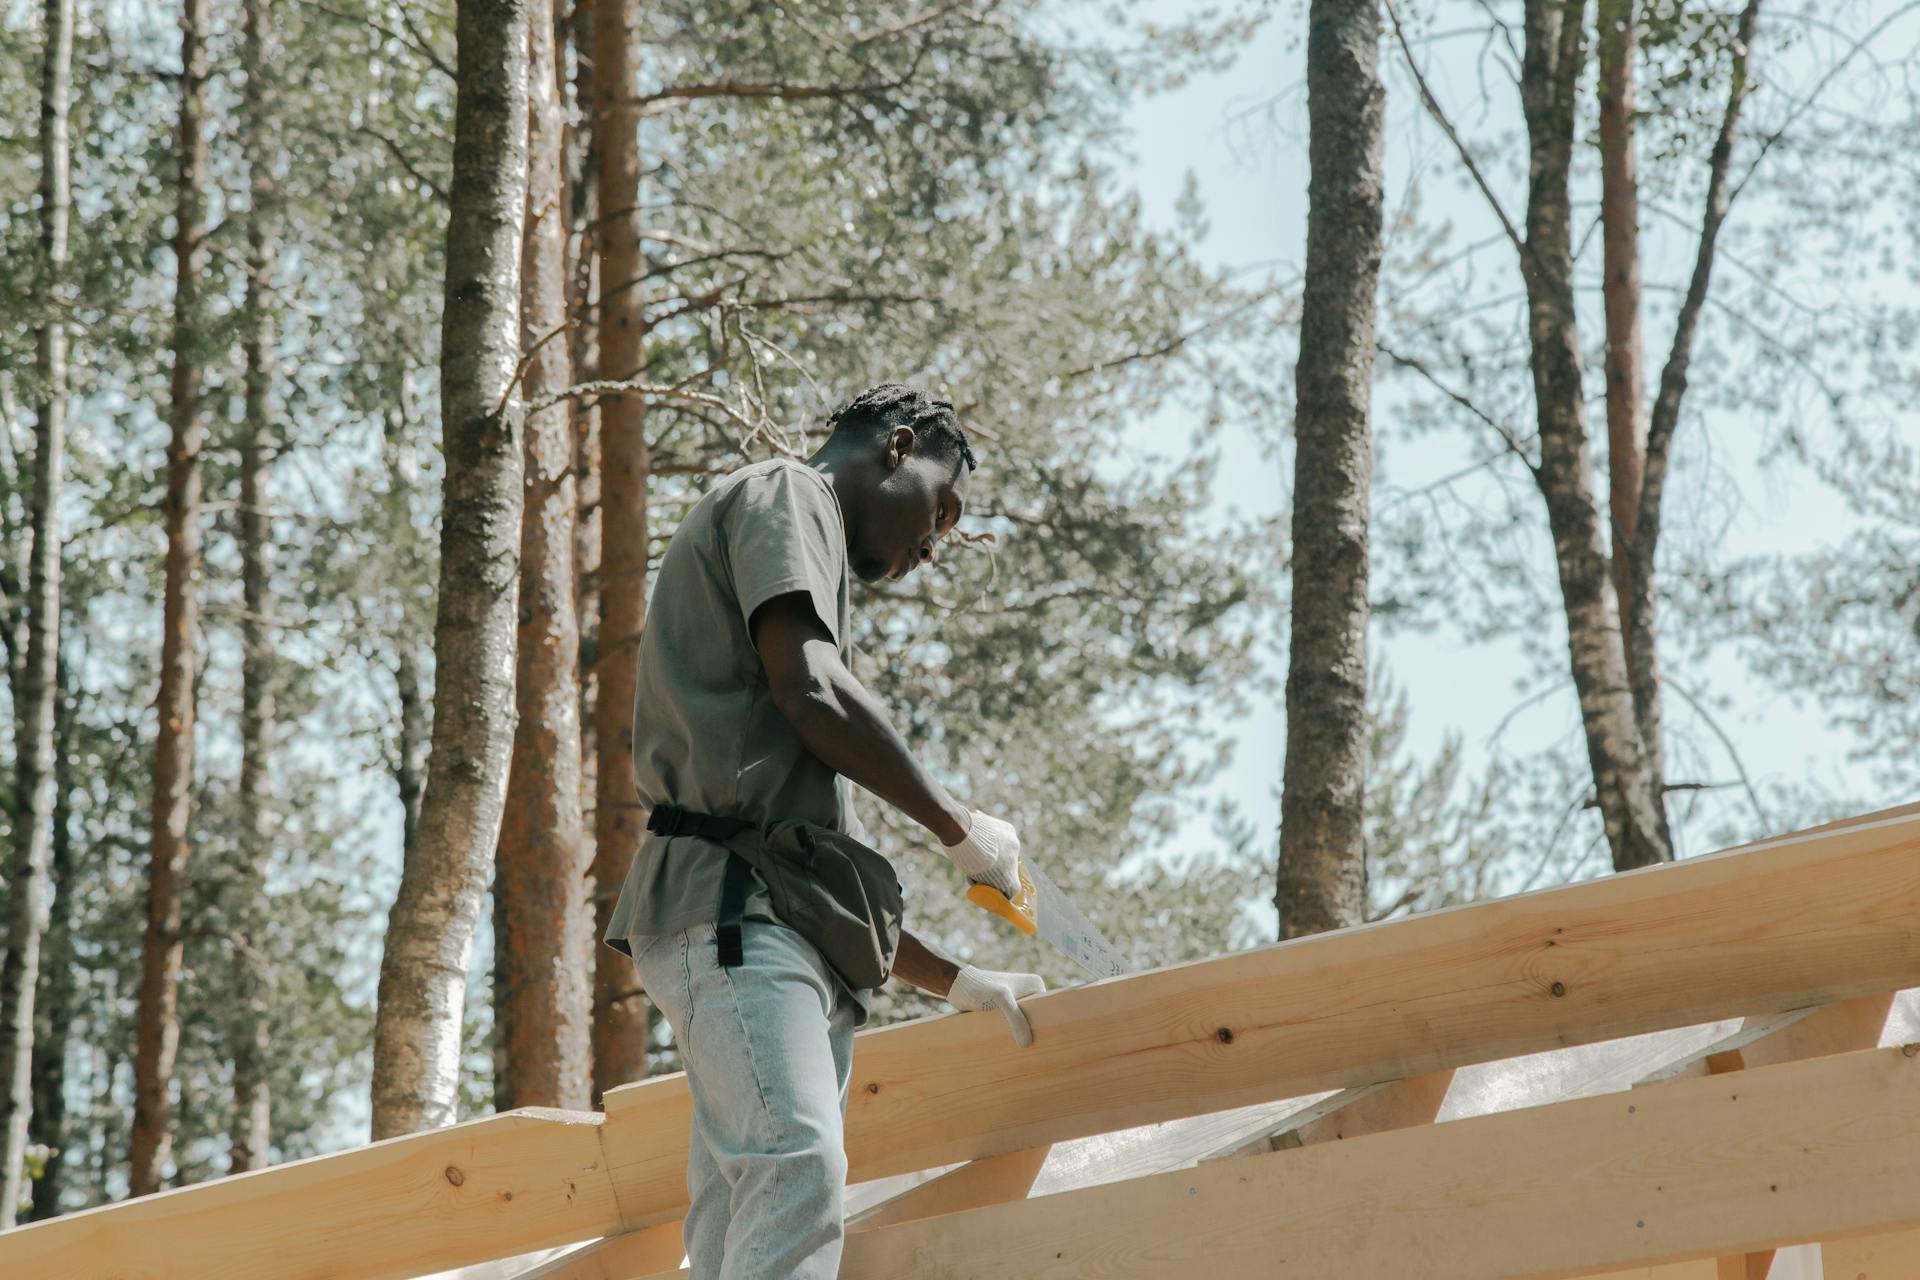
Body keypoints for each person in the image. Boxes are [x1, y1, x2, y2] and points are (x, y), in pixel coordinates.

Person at [603, 381, 1047, 1279]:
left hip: (757, 925)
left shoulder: (804, 589)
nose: (936, 542)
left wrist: (955, 980)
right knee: (797, 1174)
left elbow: (806, 874)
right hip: (732, 923)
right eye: (942, 506)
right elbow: (814, 691)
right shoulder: (784, 493)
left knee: (739, 1222)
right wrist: (954, 826)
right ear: (898, 444)